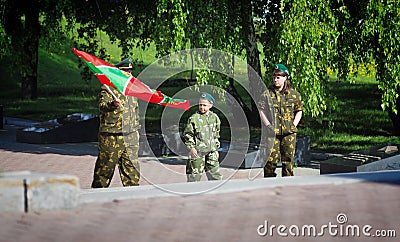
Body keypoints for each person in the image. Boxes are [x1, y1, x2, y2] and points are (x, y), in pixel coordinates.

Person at [91, 58, 141, 188]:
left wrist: (136, 129)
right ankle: (96, 200)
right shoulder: (108, 87)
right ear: (118, 71)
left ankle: (133, 201)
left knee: (132, 174)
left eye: (130, 70)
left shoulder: (132, 88)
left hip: (130, 135)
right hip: (111, 136)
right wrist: (113, 104)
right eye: (126, 71)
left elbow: (135, 110)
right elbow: (103, 106)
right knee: (104, 172)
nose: (129, 73)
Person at [258, 64, 303, 177]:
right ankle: (269, 185)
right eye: (274, 77)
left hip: (289, 133)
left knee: (288, 162)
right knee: (270, 161)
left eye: (278, 77)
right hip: (272, 132)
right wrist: (268, 125)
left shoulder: (294, 94)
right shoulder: (267, 94)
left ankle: (287, 186)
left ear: (285, 78)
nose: (275, 79)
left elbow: (299, 110)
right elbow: (261, 110)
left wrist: (293, 125)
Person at [183, 92, 222, 182]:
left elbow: (216, 134)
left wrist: (216, 149)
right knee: (194, 178)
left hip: (211, 152)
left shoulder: (214, 118)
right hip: (198, 152)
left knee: (216, 177)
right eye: (200, 105)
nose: (202, 107)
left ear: (210, 105)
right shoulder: (194, 118)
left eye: (204, 105)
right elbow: (188, 135)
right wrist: (191, 148)